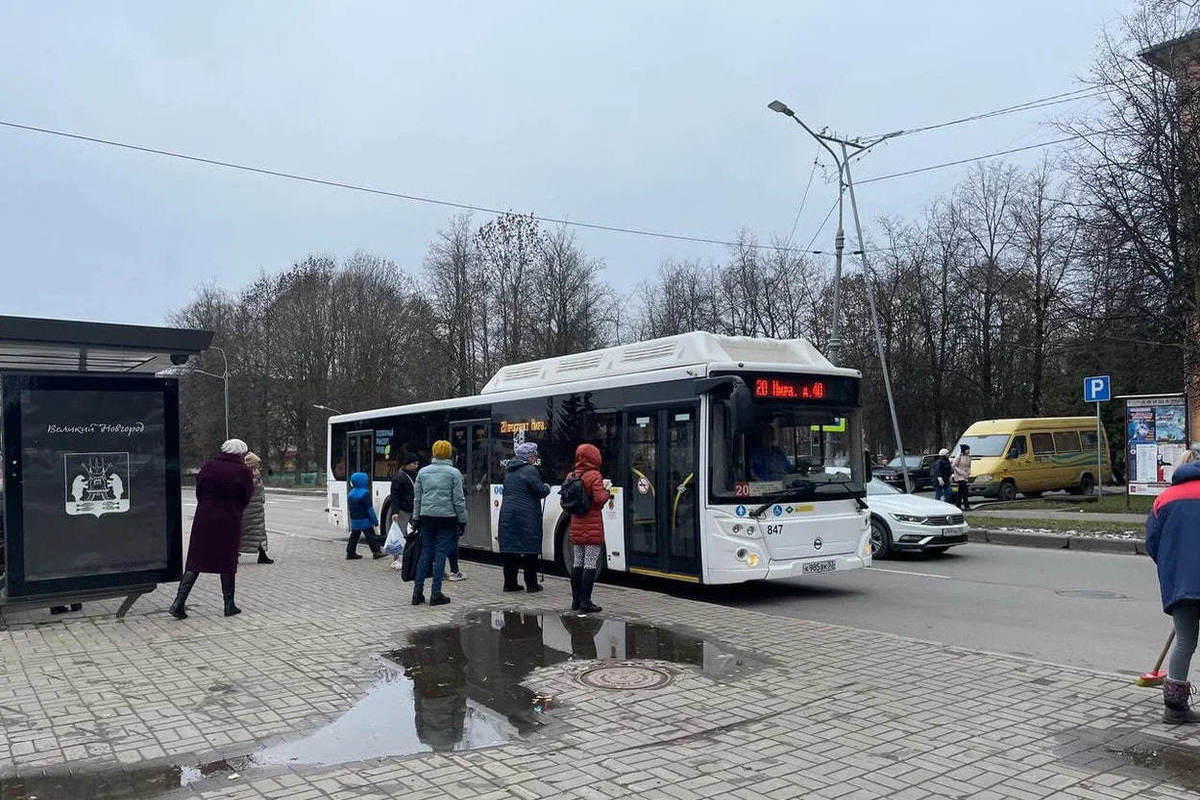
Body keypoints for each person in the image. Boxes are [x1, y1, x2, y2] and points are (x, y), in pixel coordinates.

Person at [170, 438, 254, 619]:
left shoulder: (208, 466)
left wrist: (208, 505)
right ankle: (228, 605)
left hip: (204, 519)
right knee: (227, 561)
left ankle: (178, 603)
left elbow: (199, 490)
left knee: (195, 561)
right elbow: (246, 495)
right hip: (229, 521)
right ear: (240, 453)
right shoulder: (242, 471)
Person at [1146, 448, 1200, 724]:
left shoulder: (1164, 499)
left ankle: (1174, 709)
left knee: (1186, 640)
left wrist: (1174, 569)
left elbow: (1152, 544)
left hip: (1181, 583)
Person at [411, 439, 467, 606]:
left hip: (426, 518)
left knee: (425, 553)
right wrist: (462, 520)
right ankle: (436, 594)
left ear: (434, 453)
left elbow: (418, 499)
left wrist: (416, 518)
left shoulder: (422, 472)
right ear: (449, 454)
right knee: (440, 553)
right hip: (447, 519)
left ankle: (417, 594)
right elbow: (458, 500)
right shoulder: (454, 473)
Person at [498, 442, 551, 593]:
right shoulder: (530, 470)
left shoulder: (509, 470)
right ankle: (532, 585)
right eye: (534, 455)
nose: (535, 457)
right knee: (530, 549)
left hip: (508, 514)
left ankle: (510, 583)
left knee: (510, 549)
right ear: (528, 456)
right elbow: (540, 491)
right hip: (526, 516)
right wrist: (547, 487)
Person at [566, 443, 612, 613]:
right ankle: (586, 601)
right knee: (590, 563)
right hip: (592, 525)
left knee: (577, 562)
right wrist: (607, 492)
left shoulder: (571, 476)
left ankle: (575, 601)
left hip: (576, 525)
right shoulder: (595, 475)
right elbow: (599, 499)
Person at [238, 452, 272, 564]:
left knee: (258, 532)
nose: (259, 467)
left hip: (255, 508)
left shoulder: (254, 473)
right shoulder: (248, 475)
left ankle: (262, 554)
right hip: (249, 509)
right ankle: (235, 554)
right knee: (247, 532)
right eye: (257, 464)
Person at [389, 453, 419, 571]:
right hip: (403, 510)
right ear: (407, 464)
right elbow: (395, 496)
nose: (416, 466)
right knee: (399, 534)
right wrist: (395, 511)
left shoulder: (416, 475)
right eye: (413, 463)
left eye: (417, 464)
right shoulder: (399, 477)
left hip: (414, 509)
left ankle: (411, 557)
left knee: (414, 533)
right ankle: (397, 559)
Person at [347, 471, 385, 560]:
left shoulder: (351, 493)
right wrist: (375, 521)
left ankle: (350, 552)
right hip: (364, 519)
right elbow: (369, 509)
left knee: (354, 536)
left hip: (355, 519)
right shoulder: (364, 493)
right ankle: (376, 552)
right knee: (371, 536)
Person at [952, 443, 973, 511]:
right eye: (967, 449)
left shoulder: (969, 457)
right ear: (964, 450)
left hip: (965, 476)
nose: (968, 451)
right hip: (959, 476)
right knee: (964, 491)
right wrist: (960, 472)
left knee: (960, 492)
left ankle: (958, 505)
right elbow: (954, 465)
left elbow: (969, 466)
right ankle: (966, 506)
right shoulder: (959, 456)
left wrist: (968, 472)